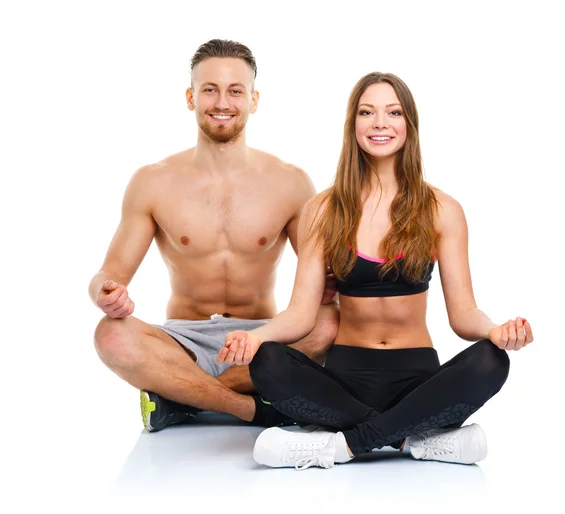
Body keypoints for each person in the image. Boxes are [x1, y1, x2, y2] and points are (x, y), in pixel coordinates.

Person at [217, 71, 534, 469]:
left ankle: (340, 447)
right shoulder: (323, 209)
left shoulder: (442, 209)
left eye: (393, 112)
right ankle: (412, 440)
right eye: (367, 112)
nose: (380, 122)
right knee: (267, 362)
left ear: (409, 125)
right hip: (345, 383)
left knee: (492, 360)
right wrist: (255, 338)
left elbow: (463, 314)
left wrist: (494, 332)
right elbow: (299, 315)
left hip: (419, 382)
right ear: (353, 126)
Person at [89, 39, 339, 433]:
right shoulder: (152, 181)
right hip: (182, 343)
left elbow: (322, 277)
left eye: (235, 91)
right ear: (191, 97)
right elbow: (108, 275)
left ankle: (182, 399)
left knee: (329, 324)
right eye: (210, 89)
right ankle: (248, 408)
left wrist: (334, 286)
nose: (222, 102)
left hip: (262, 337)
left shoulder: (290, 182)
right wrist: (106, 293)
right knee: (111, 336)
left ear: (254, 100)